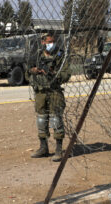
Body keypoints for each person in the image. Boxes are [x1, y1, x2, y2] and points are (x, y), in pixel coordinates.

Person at [28, 33, 71, 162]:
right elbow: (27, 73)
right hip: (40, 91)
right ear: (42, 42)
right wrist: (33, 71)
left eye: (52, 41)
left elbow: (66, 74)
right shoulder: (36, 57)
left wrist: (53, 74)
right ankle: (43, 147)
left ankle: (58, 150)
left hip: (54, 92)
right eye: (48, 42)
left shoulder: (60, 56)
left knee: (56, 119)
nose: (50, 44)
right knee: (41, 120)